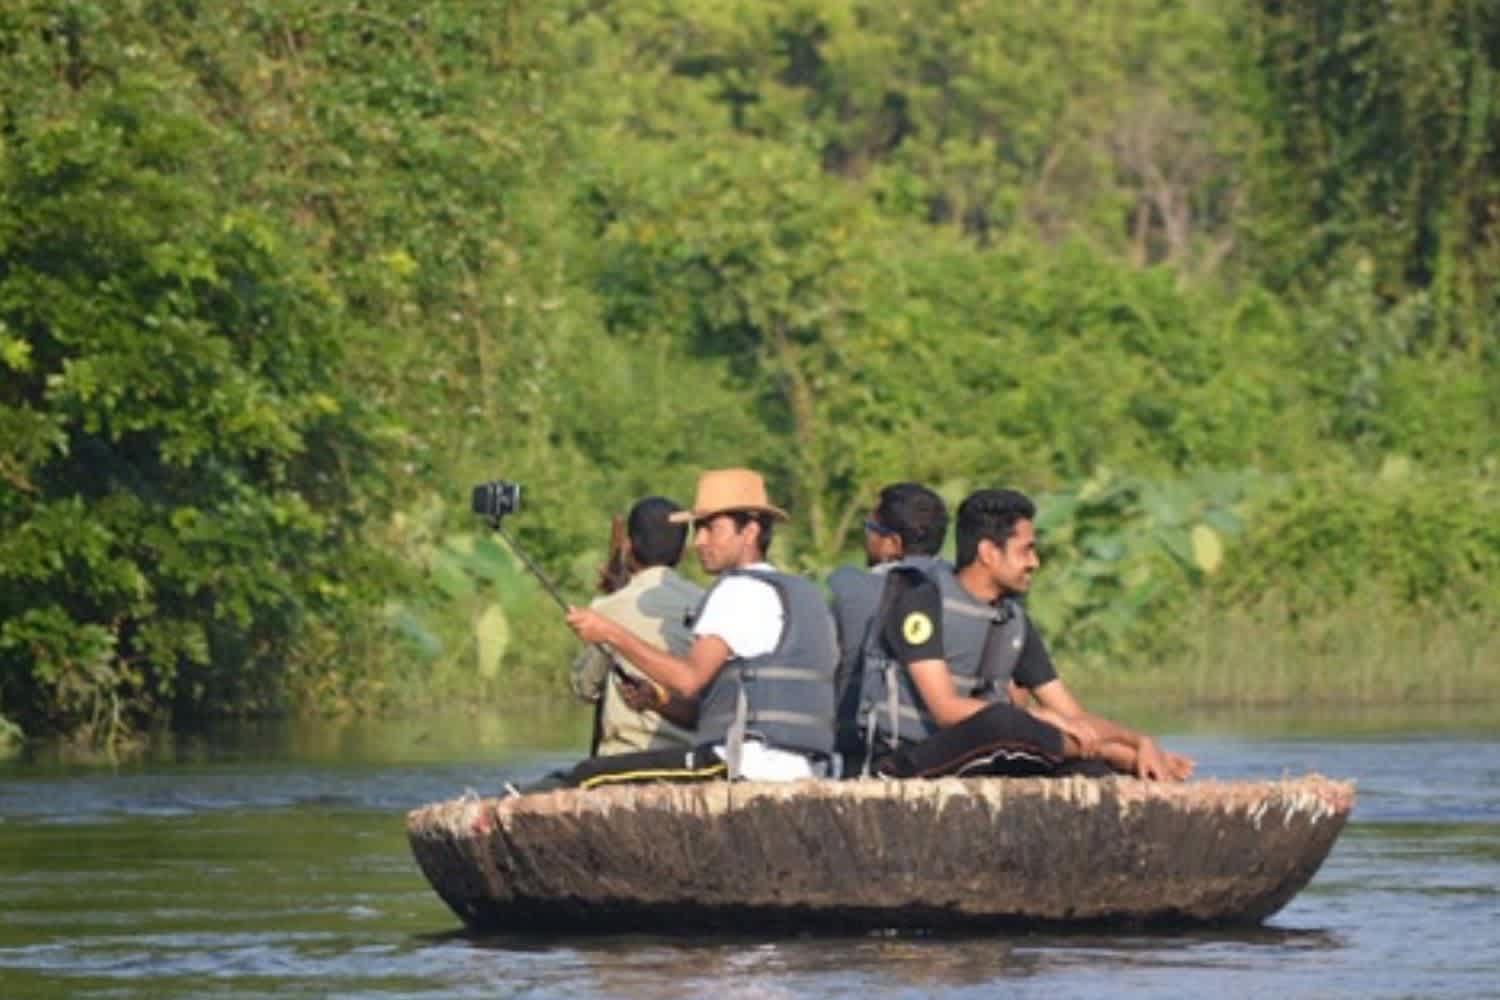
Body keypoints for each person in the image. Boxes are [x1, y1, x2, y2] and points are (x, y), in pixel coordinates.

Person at [848, 486, 1194, 781]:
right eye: (1026, 550)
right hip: (906, 762)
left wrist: (1139, 745)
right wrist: (1035, 717)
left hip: (988, 752)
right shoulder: (920, 604)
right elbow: (945, 708)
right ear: (987, 552)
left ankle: (1135, 770)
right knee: (1003, 719)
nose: (1035, 562)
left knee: (1087, 767)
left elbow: (1073, 718)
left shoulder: (1013, 621)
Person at [551, 468, 839, 790]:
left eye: (711, 528)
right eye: (697, 529)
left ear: (750, 531)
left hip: (741, 763)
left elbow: (688, 680)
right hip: (800, 765)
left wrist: (610, 633)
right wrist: (659, 702)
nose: (699, 541)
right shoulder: (799, 592)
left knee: (588, 776)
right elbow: (714, 707)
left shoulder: (738, 590)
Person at [570, 496, 703, 756]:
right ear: (683, 553)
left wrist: (611, 600)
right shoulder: (706, 601)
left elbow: (585, 688)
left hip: (623, 760)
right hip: (689, 761)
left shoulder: (608, 608)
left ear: (628, 547)